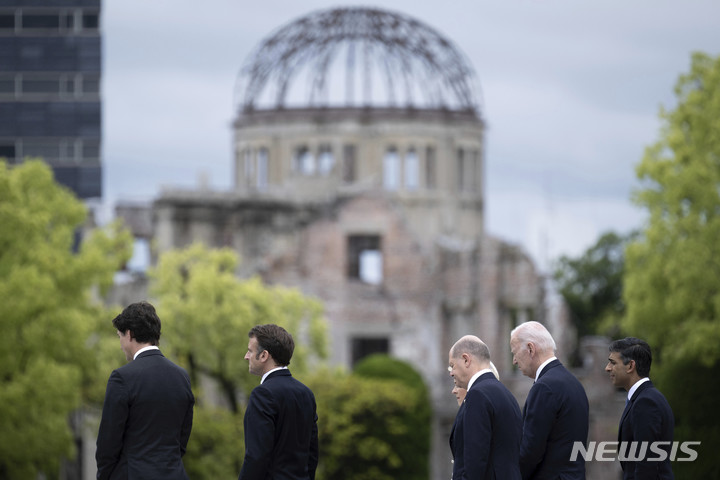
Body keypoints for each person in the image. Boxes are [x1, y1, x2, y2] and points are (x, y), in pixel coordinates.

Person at [96, 301, 194, 480]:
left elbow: (107, 444)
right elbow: (182, 440)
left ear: (130, 334)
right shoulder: (182, 377)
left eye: (120, 336)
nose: (120, 344)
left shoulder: (122, 377)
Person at [510, 321, 589, 480]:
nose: (514, 360)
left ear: (530, 349)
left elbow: (530, 452)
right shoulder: (574, 383)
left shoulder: (544, 387)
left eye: (515, 352)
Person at [239, 324, 319, 480]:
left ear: (264, 355)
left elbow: (256, 456)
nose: (246, 356)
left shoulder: (262, 394)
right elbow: (312, 453)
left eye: (250, 351)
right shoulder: (306, 393)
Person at [448, 335, 522, 480]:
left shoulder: (477, 395)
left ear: (466, 359)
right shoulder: (506, 393)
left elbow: (475, 464)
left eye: (452, 366)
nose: (451, 373)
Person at [606, 337, 674, 479]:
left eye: (613, 363)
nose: (607, 368)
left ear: (630, 366)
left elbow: (647, 465)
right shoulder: (645, 398)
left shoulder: (646, 402)